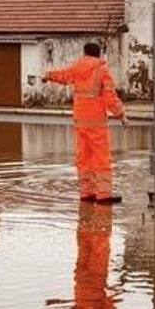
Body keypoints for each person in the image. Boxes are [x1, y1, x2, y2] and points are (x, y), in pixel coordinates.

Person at [44, 43, 127, 203]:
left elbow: (62, 76)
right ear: (99, 54)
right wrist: (121, 115)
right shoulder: (102, 70)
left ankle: (86, 192)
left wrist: (47, 75)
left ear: (85, 53)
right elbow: (110, 97)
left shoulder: (77, 68)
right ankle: (104, 194)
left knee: (84, 157)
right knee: (101, 157)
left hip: (80, 120)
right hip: (96, 121)